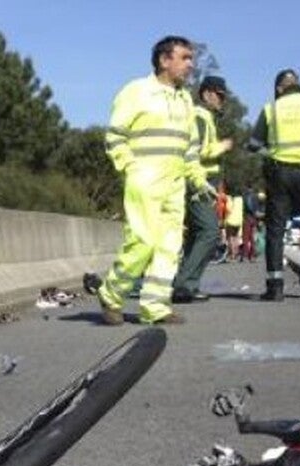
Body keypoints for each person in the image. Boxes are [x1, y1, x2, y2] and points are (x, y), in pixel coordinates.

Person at [94, 36, 214, 325]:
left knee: (169, 247)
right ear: (164, 60)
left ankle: (156, 307)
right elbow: (115, 136)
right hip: (144, 180)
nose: (190, 65)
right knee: (142, 242)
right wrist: (130, 167)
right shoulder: (136, 91)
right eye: (184, 58)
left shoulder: (185, 99)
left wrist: (198, 180)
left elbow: (190, 147)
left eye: (191, 58)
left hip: (175, 184)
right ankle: (111, 294)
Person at [248, 69, 300, 301]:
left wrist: (271, 154)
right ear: (299, 85)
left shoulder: (271, 109)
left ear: (279, 88)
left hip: (279, 174)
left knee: (275, 230)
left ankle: (275, 287)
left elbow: (253, 144)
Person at [171, 75, 234, 303]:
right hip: (199, 183)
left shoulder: (206, 117)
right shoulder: (199, 116)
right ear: (206, 94)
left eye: (223, 97)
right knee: (209, 232)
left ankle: (187, 285)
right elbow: (196, 151)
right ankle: (183, 284)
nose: (221, 101)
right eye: (219, 95)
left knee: (197, 235)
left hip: (204, 182)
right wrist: (222, 146)